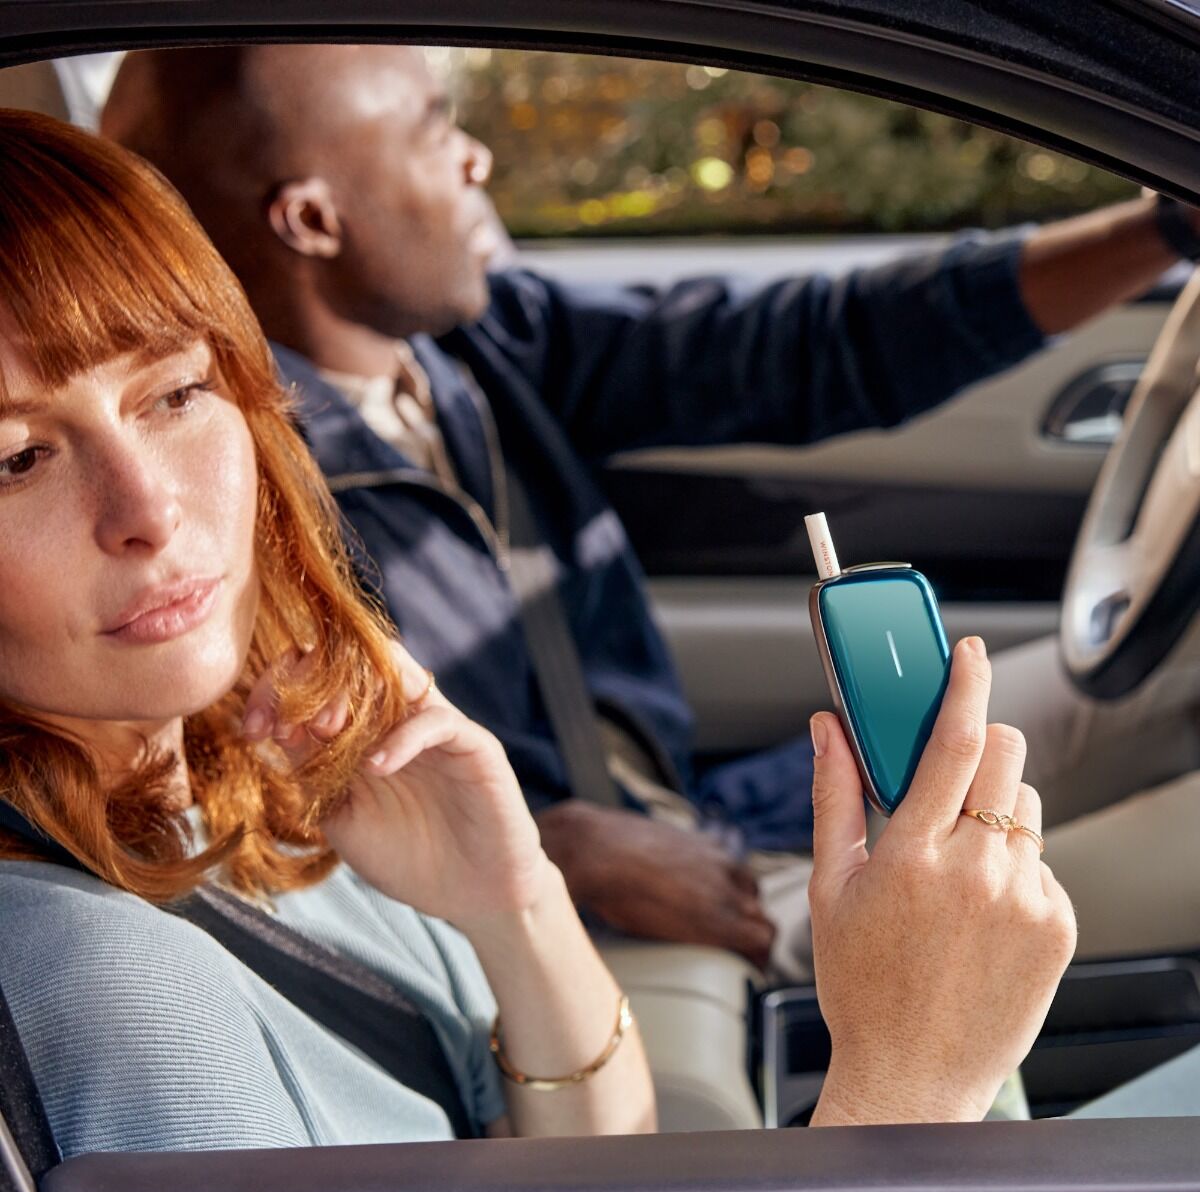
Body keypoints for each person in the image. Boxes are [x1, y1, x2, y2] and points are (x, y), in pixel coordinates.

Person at [0, 109, 1098, 1156]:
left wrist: (513, 902)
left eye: (175, 395)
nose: (148, 511)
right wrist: (909, 1088)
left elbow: (583, 1150)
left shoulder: (248, 779)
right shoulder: (98, 977)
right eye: (16, 458)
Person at [100, 44, 1200, 978]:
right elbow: (255, 803)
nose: (475, 156)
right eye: (435, 130)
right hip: (601, 910)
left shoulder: (471, 348)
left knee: (1167, 679)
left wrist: (1159, 232)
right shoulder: (231, 495)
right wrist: (558, 846)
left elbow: (812, 348)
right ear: (312, 219)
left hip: (705, 816)